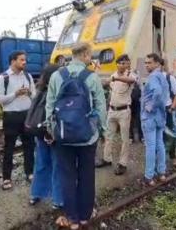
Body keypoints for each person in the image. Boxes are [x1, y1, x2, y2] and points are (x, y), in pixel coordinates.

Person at [46, 42, 106, 230]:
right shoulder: (92, 77)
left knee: (67, 176)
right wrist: (102, 131)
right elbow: (100, 106)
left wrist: (52, 130)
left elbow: (50, 106)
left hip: (62, 136)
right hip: (87, 137)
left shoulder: (57, 75)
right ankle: (85, 217)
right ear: (86, 55)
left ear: (73, 55)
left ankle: (71, 218)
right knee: (87, 175)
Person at [0, 50, 36, 190]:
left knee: (29, 146)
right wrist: (15, 94)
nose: (24, 62)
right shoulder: (3, 78)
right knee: (9, 148)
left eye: (25, 60)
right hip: (11, 116)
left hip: (27, 115)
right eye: (21, 60)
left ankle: (30, 172)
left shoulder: (28, 76)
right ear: (13, 61)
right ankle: (6, 178)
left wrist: (29, 92)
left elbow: (34, 95)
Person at [27, 64, 63, 209]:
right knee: (57, 166)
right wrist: (52, 133)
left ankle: (36, 194)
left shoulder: (40, 90)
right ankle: (57, 199)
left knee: (41, 164)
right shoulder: (56, 91)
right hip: (53, 134)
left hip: (40, 133)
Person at [96, 54, 136, 175]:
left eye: (125, 63)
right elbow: (107, 85)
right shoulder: (113, 75)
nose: (123, 65)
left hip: (124, 111)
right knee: (108, 136)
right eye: (120, 63)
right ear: (117, 64)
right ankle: (107, 158)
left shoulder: (130, 75)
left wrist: (115, 79)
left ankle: (123, 163)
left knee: (124, 139)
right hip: (112, 110)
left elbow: (131, 81)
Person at [141, 53, 169, 186]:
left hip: (150, 117)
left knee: (151, 146)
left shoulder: (152, 77)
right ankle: (162, 172)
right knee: (160, 144)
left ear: (157, 63)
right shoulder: (162, 76)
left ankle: (149, 176)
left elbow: (157, 93)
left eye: (149, 63)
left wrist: (149, 107)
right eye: (146, 63)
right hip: (160, 116)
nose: (147, 65)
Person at [129, 69, 143, 143]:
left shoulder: (139, 85)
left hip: (138, 103)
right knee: (130, 120)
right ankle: (131, 137)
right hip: (130, 103)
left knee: (139, 120)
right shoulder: (129, 84)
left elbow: (142, 92)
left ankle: (141, 137)